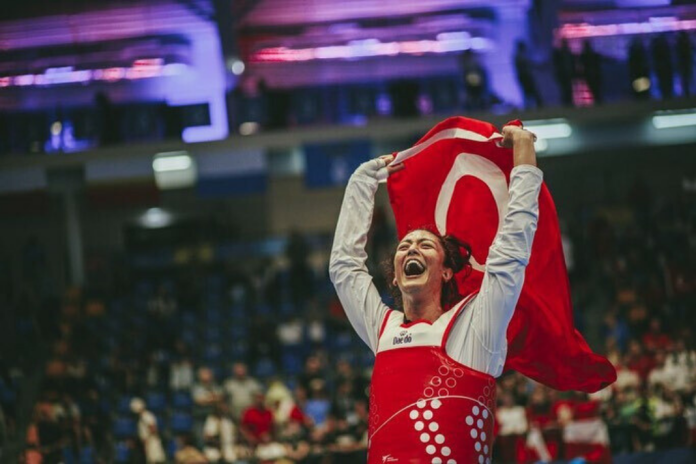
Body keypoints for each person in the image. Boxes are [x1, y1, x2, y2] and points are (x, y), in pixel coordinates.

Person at [329, 123, 542, 462]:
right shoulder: (383, 330)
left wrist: (524, 157)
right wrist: (362, 181)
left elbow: (512, 252)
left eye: (425, 244)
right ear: (396, 279)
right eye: (404, 246)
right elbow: (344, 268)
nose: (411, 249)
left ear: (446, 271)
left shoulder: (475, 328)